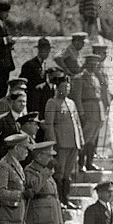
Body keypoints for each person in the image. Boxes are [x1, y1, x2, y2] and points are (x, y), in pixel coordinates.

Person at [43, 74, 83, 209]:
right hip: (61, 144)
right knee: (59, 173)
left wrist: (80, 140)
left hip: (73, 143)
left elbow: (77, 123)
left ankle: (66, 199)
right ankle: (58, 201)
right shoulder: (52, 102)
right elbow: (49, 125)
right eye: (63, 87)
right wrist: (53, 144)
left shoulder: (71, 103)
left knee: (68, 173)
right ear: (57, 88)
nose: (66, 90)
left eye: (68, 87)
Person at [70, 53, 112, 170]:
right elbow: (77, 98)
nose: (93, 67)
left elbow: (100, 94)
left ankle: (90, 163)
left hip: (98, 111)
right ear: (86, 64)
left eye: (96, 65)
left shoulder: (96, 78)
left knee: (93, 139)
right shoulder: (79, 78)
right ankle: (81, 164)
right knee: (85, 138)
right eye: (91, 64)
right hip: (87, 110)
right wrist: (81, 113)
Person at [20, 38, 52, 114]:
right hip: (33, 99)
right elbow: (23, 82)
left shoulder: (45, 64)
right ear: (39, 50)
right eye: (45, 50)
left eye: (48, 51)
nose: (47, 53)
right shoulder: (29, 65)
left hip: (43, 99)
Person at [0, 91, 26, 158]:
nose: (22, 104)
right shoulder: (1, 120)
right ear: (11, 102)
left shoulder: (28, 120)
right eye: (19, 101)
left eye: (24, 101)